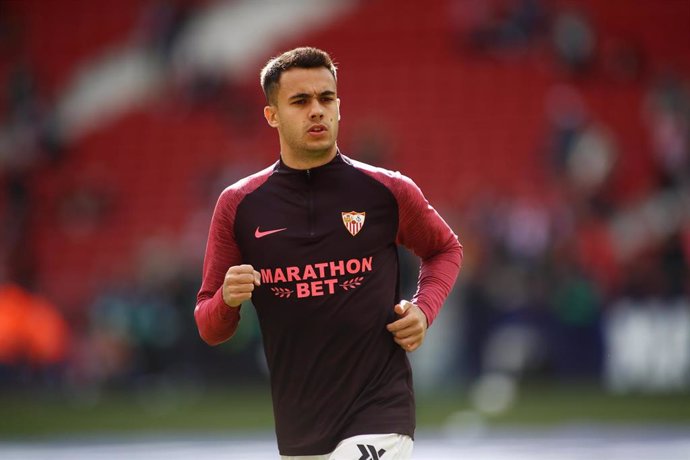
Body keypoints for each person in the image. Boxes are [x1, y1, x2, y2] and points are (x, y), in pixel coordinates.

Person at [195, 47, 462, 459]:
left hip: (380, 410)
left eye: (326, 98)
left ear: (339, 106)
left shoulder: (387, 190)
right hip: (300, 423)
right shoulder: (239, 205)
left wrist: (424, 309)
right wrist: (228, 301)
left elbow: (444, 248)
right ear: (272, 115)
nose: (317, 110)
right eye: (300, 101)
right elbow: (211, 328)